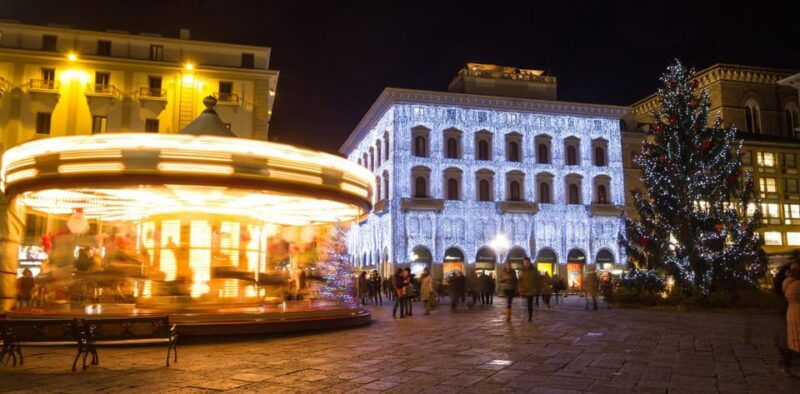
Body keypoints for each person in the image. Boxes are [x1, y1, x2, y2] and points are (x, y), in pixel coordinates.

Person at [782, 261, 800, 377]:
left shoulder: (787, 282)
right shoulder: (797, 284)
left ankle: (786, 365)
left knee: (793, 340)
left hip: (791, 311)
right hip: (798, 312)